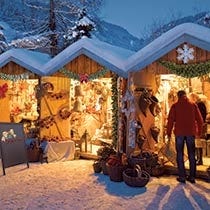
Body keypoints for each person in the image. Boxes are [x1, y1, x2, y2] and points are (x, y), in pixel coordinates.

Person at [166, 90, 203, 184]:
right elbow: (200, 120)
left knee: (179, 154)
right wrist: (199, 132)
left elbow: (170, 120)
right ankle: (192, 176)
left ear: (178, 96)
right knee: (191, 154)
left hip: (179, 133)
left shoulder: (175, 106)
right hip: (191, 133)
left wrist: (168, 133)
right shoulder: (193, 105)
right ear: (185, 96)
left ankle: (182, 176)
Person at [189, 93, 207, 165]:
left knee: (198, 142)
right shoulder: (199, 104)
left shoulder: (199, 104)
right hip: (197, 125)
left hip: (198, 126)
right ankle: (198, 158)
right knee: (196, 142)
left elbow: (199, 116)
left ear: (193, 98)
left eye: (190, 99)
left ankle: (199, 159)